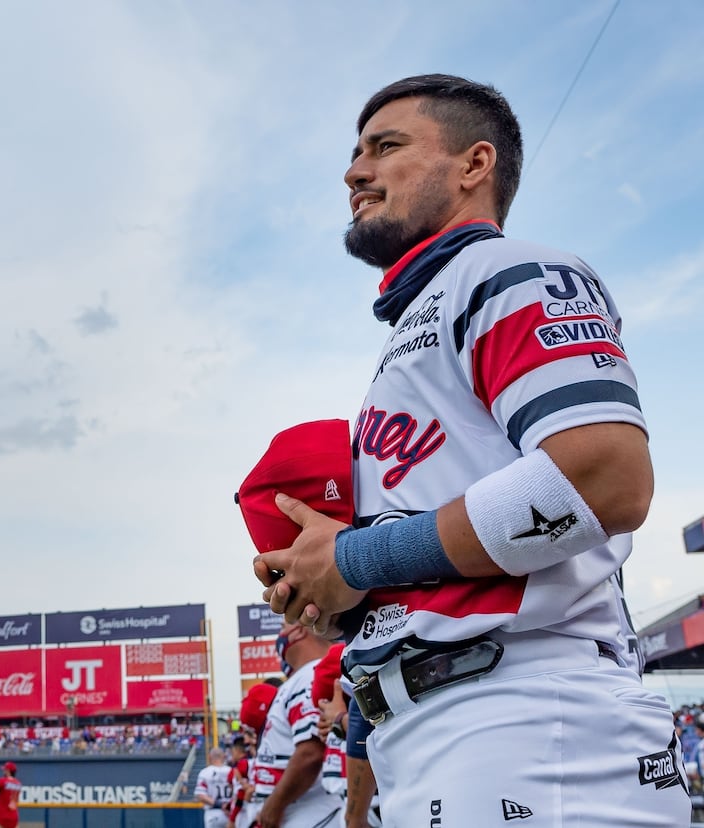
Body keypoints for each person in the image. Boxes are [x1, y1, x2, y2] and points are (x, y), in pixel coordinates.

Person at [252, 73, 689, 826]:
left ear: (473, 165)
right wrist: (342, 599)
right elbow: (447, 555)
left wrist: (355, 559)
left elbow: (607, 479)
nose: (355, 171)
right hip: (445, 727)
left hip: (527, 720)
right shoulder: (422, 323)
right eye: (355, 153)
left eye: (386, 147)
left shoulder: (506, 270)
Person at [246, 627, 342, 828]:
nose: (280, 634)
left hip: (312, 815)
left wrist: (273, 806)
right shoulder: (304, 675)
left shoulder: (311, 673)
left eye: (283, 626)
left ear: (298, 631)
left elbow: (310, 753)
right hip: (304, 813)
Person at [193, 748, 233, 828]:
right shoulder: (232, 771)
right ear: (224, 757)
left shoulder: (205, 772)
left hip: (213, 812)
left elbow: (201, 795)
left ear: (210, 757)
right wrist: (228, 806)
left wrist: (220, 805)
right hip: (230, 813)